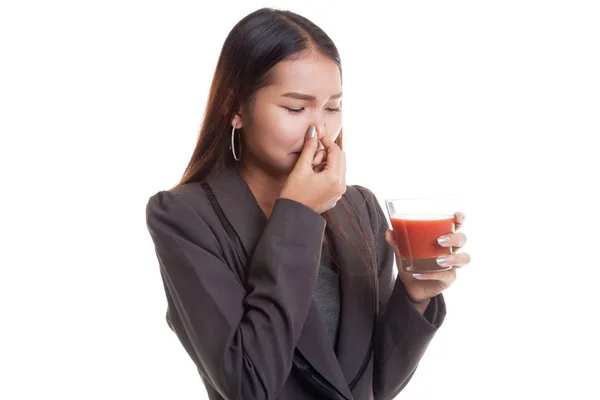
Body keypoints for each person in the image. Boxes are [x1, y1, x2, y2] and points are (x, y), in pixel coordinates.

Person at [145, 7, 471, 400]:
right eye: (295, 108)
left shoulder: (358, 208)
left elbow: (376, 385)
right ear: (235, 106)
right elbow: (248, 384)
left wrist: (415, 296)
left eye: (332, 107)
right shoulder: (184, 216)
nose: (320, 130)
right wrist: (297, 215)